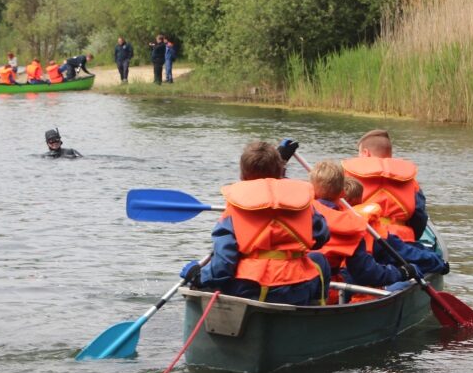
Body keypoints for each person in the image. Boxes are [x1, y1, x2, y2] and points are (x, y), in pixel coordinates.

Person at [180, 141, 331, 306]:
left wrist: (199, 276)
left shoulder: (235, 207)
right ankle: (316, 312)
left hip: (251, 288)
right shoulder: (302, 203)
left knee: (208, 282)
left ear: (242, 176)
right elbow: (321, 237)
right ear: (280, 172)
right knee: (319, 260)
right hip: (298, 287)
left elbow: (224, 263)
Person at [308, 161, 418, 300]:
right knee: (400, 284)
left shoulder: (294, 213)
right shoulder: (351, 224)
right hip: (330, 294)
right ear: (342, 192)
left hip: (287, 286)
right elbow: (365, 272)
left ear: (311, 189)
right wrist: (401, 273)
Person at [342, 129, 428, 242]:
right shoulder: (410, 181)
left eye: (359, 153)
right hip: (401, 241)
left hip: (362, 238)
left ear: (365, 153)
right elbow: (419, 217)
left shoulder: (347, 175)